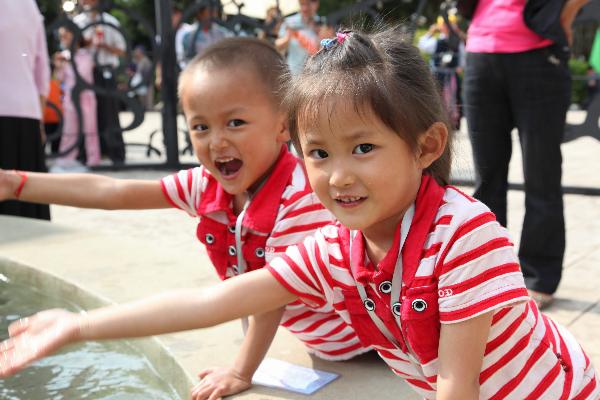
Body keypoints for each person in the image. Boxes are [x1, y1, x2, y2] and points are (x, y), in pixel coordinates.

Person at [2, 27, 599, 399]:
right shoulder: (337, 248)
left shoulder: (463, 235)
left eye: (363, 148)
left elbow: (456, 385)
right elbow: (217, 302)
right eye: (318, 153)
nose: (337, 175)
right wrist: (78, 325)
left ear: (426, 146)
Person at [0, 37, 368, 400]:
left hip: (363, 342)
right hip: (324, 340)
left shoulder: (299, 200)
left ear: (283, 126)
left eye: (235, 122)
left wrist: (241, 370)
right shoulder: (209, 185)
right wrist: (17, 184)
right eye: (201, 127)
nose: (216, 141)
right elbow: (115, 192)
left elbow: (266, 302)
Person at [462, 0, 591, 310]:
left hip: (538, 53)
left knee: (541, 175)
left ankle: (538, 277)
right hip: (481, 51)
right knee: (486, 178)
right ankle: (489, 273)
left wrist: (564, 16)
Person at [0, 0, 51, 220]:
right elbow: (42, 69)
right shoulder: (28, 5)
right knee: (27, 206)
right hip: (26, 112)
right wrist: (39, 117)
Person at [73, 0, 126, 165]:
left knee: (109, 111)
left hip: (106, 70)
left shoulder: (110, 22)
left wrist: (105, 46)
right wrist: (84, 43)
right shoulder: (78, 22)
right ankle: (85, 153)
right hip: (85, 72)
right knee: (86, 114)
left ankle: (115, 153)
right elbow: (69, 45)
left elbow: (122, 50)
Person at [53, 26, 101, 168]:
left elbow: (83, 73)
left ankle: (93, 159)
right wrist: (58, 66)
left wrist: (67, 62)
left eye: (66, 35)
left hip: (85, 96)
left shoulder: (86, 54)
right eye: (62, 36)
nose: (64, 39)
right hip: (70, 97)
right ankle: (66, 158)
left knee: (90, 128)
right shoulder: (65, 55)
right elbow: (60, 78)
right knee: (69, 129)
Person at [418, 14, 466, 129]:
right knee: (439, 98)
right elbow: (422, 45)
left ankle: (452, 122)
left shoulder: (457, 40)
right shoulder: (437, 41)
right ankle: (440, 121)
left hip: (451, 74)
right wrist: (431, 32)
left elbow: (463, 56)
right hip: (438, 74)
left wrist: (460, 66)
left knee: (453, 99)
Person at [275, 0, 321, 75]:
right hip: (294, 74)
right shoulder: (290, 22)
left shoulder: (321, 23)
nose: (305, 8)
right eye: (302, 4)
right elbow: (277, 46)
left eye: (308, 4)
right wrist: (287, 37)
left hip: (315, 74)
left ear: (316, 4)